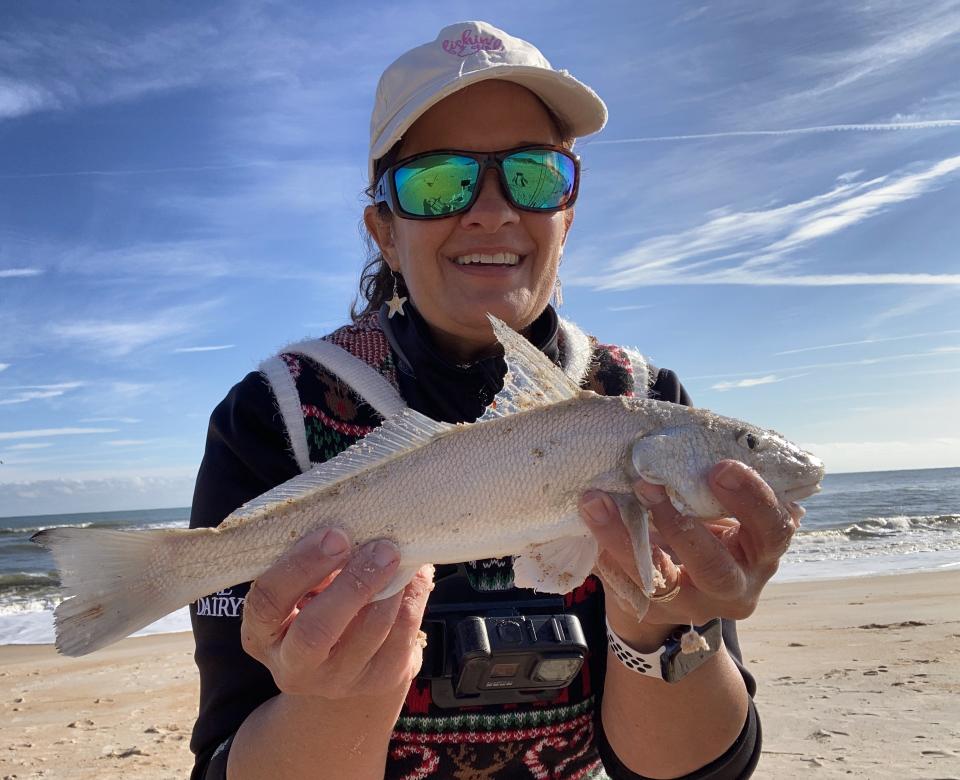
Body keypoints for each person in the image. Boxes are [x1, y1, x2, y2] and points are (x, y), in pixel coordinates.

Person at [189, 20, 799, 779]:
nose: (490, 209)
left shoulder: (646, 401)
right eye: (438, 181)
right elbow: (222, 758)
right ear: (383, 227)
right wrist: (334, 701)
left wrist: (668, 627)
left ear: (567, 214)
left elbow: (692, 772)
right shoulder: (270, 414)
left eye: (533, 175)